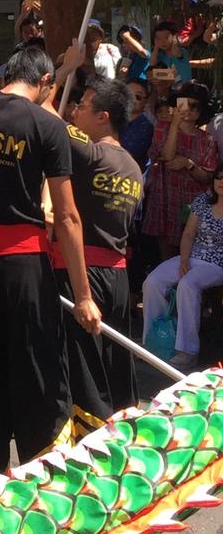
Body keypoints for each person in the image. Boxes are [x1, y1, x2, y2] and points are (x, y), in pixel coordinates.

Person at [0, 45, 100, 484]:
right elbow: (68, 216)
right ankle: (46, 486)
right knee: (37, 374)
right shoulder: (47, 125)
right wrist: (84, 296)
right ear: (45, 85)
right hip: (23, 269)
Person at [54, 77, 143, 438]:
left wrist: (64, 71)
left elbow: (48, 118)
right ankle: (124, 435)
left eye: (83, 106)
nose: (75, 112)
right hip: (119, 277)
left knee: (85, 370)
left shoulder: (91, 153)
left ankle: (92, 446)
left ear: (103, 117)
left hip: (82, 274)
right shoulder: (134, 169)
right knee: (114, 362)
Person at [142, 164, 223, 371]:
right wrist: (185, 260)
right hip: (192, 256)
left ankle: (187, 351)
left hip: (217, 263)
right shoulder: (202, 201)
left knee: (188, 285)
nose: (221, 182)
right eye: (218, 177)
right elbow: (188, 234)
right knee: (153, 281)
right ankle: (154, 340)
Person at [142, 83, 218, 261]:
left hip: (192, 200)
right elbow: (167, 157)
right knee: (165, 251)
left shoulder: (207, 140)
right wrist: (175, 125)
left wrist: (188, 163)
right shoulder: (163, 127)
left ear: (201, 112)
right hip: (165, 195)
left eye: (195, 106)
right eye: (185, 103)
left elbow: (208, 177)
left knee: (189, 249)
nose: (189, 109)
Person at [120, 79, 154, 170]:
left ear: (146, 101)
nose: (132, 99)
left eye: (138, 96)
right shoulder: (112, 117)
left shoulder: (146, 127)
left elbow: (127, 157)